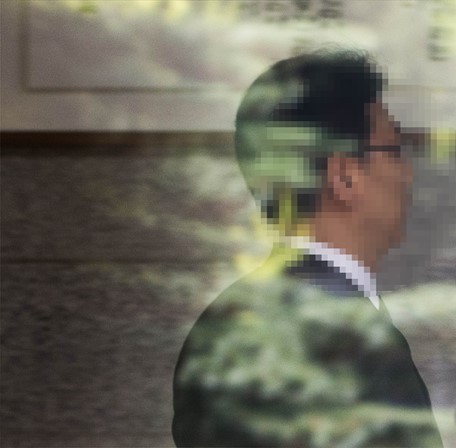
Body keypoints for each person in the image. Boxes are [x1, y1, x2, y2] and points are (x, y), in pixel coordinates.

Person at [172, 50, 442, 447]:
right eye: (396, 149)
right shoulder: (337, 333)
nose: (408, 172)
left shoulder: (230, 321)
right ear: (344, 177)